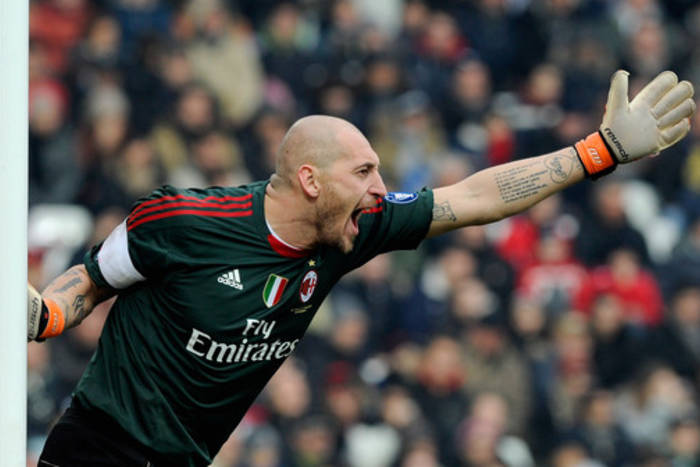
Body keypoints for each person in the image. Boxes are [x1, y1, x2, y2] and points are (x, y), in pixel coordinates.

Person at [28, 70, 694, 466]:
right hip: (98, 447)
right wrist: (49, 314)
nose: (380, 187)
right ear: (311, 180)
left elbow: (474, 198)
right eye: (364, 171)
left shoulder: (357, 227)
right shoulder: (181, 222)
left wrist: (597, 151)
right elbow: (91, 279)